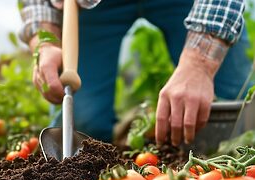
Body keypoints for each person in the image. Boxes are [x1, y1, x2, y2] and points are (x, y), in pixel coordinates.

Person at [18, 0, 253, 146]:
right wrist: (45, 41)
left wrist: (199, 64)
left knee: (233, 110)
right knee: (84, 125)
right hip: (95, 5)